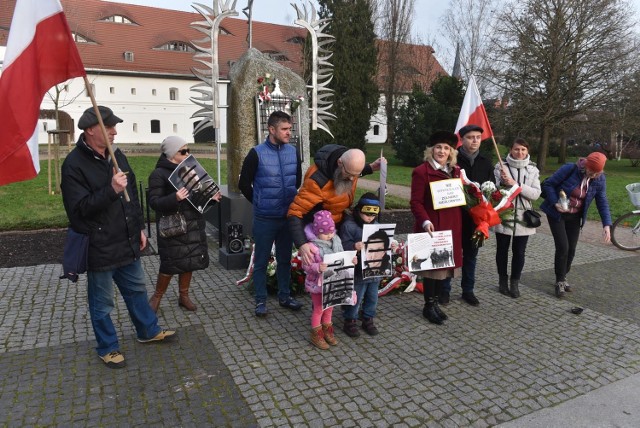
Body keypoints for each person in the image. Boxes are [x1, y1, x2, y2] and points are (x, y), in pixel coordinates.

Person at [60, 106, 175, 369]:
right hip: (99, 246)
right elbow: (78, 211)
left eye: (114, 127)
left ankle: (147, 331)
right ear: (90, 130)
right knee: (102, 303)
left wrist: (139, 229)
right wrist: (110, 189)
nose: (114, 132)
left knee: (136, 290)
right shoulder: (74, 165)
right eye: (108, 127)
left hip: (126, 239)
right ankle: (108, 347)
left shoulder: (117, 155)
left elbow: (131, 194)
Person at [238, 111, 303, 317]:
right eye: (284, 129)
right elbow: (243, 184)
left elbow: (297, 180)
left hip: (287, 218)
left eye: (289, 129)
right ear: (272, 129)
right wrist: (259, 201)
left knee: (285, 259)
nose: (288, 133)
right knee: (261, 260)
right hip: (265, 218)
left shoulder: (293, 152)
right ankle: (260, 301)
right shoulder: (256, 153)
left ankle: (285, 296)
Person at [147, 136, 222, 312]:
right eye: (183, 151)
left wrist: (210, 199)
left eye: (188, 150)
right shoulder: (158, 174)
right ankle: (157, 296)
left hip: (192, 224)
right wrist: (174, 197)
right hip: (173, 226)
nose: (188, 154)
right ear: (172, 154)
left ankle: (184, 296)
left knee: (189, 262)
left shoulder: (189, 170)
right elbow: (154, 202)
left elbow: (197, 197)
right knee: (170, 264)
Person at [288, 144, 385, 266]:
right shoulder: (317, 182)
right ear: (339, 162)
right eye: (349, 174)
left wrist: (370, 167)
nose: (351, 179)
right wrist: (302, 244)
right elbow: (294, 212)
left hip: (339, 223)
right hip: (322, 231)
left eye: (356, 175)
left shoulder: (348, 169)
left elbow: (354, 171)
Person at [540, 151, 612, 297]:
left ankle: (563, 275)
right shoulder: (569, 169)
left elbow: (602, 201)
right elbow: (548, 184)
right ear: (586, 165)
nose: (593, 175)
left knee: (571, 249)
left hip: (575, 216)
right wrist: (555, 203)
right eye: (591, 171)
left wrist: (606, 225)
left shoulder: (599, 179)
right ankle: (560, 281)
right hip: (557, 213)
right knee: (563, 246)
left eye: (597, 173)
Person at [410, 131, 463, 325]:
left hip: (450, 226)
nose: (442, 151)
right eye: (438, 147)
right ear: (431, 150)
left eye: (446, 148)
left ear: (451, 152)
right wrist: (424, 221)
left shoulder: (455, 171)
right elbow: (415, 202)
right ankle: (428, 306)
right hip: (431, 226)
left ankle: (434, 303)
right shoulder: (421, 172)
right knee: (430, 270)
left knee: (442, 268)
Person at [441, 124, 495, 306]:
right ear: (462, 140)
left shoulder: (486, 162)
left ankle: (468, 290)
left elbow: (491, 190)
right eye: (470, 137)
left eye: (478, 137)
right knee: (450, 255)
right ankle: (444, 290)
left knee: (471, 256)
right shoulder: (451, 161)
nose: (474, 141)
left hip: (475, 220)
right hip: (454, 217)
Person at [493, 138, 541, 298]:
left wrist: (516, 185)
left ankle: (515, 282)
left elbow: (535, 194)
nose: (519, 152)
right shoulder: (501, 167)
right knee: (502, 250)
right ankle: (502, 280)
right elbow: (494, 191)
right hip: (504, 214)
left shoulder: (533, 169)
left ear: (527, 151)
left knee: (519, 252)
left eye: (523, 150)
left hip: (524, 216)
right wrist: (503, 183)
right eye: (516, 149)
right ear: (511, 150)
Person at [339, 193, 384, 337]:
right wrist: (353, 246)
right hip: (358, 270)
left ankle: (368, 318)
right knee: (356, 295)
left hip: (375, 268)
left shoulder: (376, 225)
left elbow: (384, 241)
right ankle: (350, 319)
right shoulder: (349, 226)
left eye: (373, 214)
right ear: (358, 210)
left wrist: (391, 245)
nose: (370, 217)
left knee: (372, 296)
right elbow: (342, 245)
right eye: (367, 214)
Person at [302, 210, 345, 350]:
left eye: (331, 232)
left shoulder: (336, 241)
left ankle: (327, 330)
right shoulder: (312, 247)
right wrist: (317, 267)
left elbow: (342, 257)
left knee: (330, 308)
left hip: (332, 283)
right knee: (319, 309)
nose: (329, 235)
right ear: (316, 232)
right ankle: (316, 334)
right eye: (325, 233)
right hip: (317, 284)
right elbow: (306, 265)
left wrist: (352, 260)